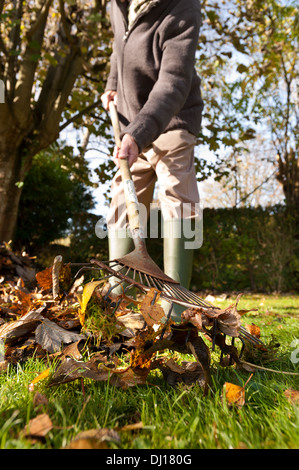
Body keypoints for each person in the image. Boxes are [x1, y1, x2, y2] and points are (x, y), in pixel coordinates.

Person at [101, 0, 204, 322]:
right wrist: (112, 85)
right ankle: (120, 299)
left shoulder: (183, 7)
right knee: (122, 202)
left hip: (172, 120)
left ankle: (178, 304)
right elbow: (121, 48)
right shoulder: (116, 4)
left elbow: (173, 80)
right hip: (131, 125)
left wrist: (140, 132)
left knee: (178, 196)